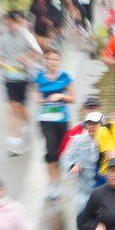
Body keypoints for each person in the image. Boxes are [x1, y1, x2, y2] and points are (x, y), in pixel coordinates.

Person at [0, 11, 43, 156]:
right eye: (6, 23)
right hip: (8, 77)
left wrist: (28, 58)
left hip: (23, 77)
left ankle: (28, 126)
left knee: (19, 108)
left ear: (17, 22)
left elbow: (38, 53)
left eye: (11, 23)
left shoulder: (26, 35)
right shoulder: (4, 36)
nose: (8, 26)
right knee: (13, 107)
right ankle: (15, 143)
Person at [33, 49, 77, 200]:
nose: (52, 62)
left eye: (55, 59)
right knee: (50, 151)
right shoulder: (39, 76)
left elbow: (73, 98)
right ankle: (53, 184)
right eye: (49, 59)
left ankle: (58, 178)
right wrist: (39, 99)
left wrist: (61, 96)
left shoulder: (65, 77)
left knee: (61, 152)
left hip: (61, 119)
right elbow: (37, 95)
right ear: (45, 61)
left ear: (59, 61)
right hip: (45, 119)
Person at [61, 110, 103, 214]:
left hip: (102, 189)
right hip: (84, 190)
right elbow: (65, 158)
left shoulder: (108, 140)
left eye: (95, 123)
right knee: (81, 216)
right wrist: (72, 166)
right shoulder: (77, 140)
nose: (92, 126)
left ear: (102, 124)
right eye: (89, 123)